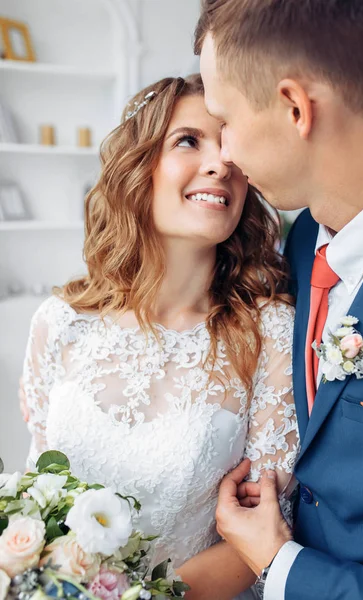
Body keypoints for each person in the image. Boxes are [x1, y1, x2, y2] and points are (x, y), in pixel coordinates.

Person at [22, 74, 298, 600]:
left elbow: (263, 534)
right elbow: (40, 497)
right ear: (139, 165)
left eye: (230, 145)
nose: (220, 163)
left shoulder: (268, 335)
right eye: (189, 140)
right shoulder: (59, 322)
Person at [195, 0, 363, 599]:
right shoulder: (302, 236)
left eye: (224, 118)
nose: (223, 153)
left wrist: (277, 563)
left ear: (294, 108)